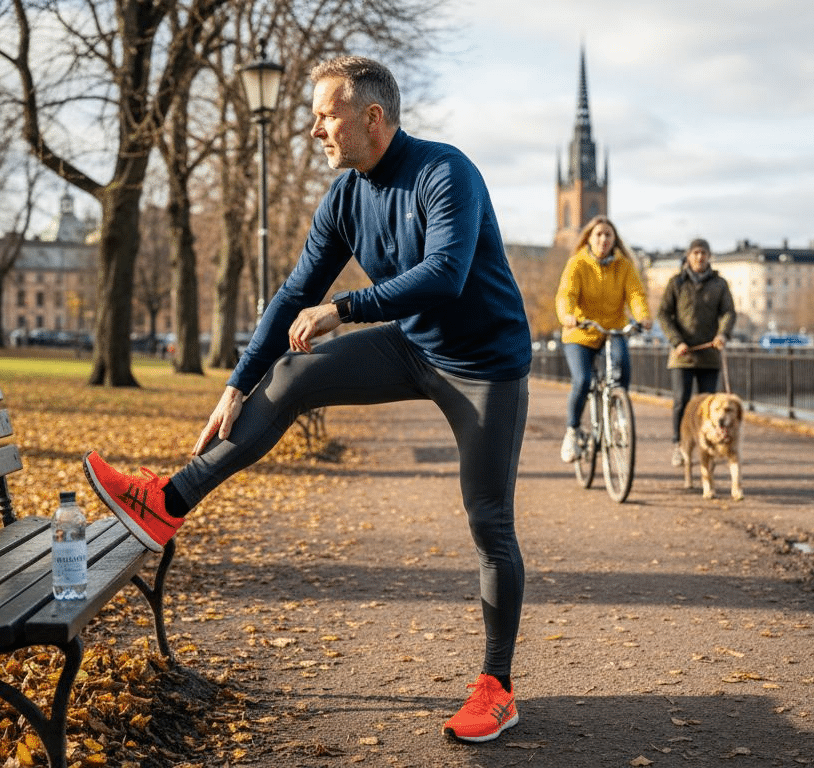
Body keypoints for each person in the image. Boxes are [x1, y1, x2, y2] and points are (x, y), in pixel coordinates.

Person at [81, 56, 531, 744]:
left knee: (488, 522)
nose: (315, 128)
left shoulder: (445, 173)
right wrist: (237, 382)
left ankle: (497, 687)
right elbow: (293, 293)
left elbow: (445, 273)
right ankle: (166, 502)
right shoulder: (346, 196)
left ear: (371, 117)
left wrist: (344, 307)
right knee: (292, 374)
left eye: (325, 114)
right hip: (412, 346)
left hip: (484, 366)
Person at [554, 215, 651, 463]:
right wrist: (567, 316)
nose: (603, 239)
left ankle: (617, 417)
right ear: (589, 238)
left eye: (608, 235)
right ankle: (572, 431)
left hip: (612, 329)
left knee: (622, 369)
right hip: (580, 331)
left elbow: (636, 295)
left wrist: (643, 317)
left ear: (614, 239)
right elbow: (567, 294)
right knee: (583, 380)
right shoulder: (577, 263)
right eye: (598, 234)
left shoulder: (624, 266)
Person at [658, 237, 736, 465]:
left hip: (710, 353)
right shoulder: (676, 283)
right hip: (682, 353)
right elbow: (663, 314)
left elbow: (729, 312)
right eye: (695, 253)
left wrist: (723, 334)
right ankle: (678, 445)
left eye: (703, 253)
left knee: (709, 405)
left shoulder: (719, 284)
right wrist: (676, 341)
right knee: (682, 402)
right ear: (689, 256)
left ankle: (707, 446)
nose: (699, 257)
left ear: (709, 256)